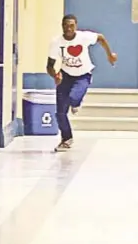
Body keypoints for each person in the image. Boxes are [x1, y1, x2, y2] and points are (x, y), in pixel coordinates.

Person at [46, 14, 117, 152]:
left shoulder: (83, 37)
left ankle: (75, 104)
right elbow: (49, 65)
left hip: (83, 75)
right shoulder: (56, 42)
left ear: (76, 26)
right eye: (66, 25)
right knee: (60, 113)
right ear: (62, 26)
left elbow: (100, 38)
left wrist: (109, 54)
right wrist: (55, 75)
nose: (69, 28)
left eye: (71, 25)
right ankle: (66, 139)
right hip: (65, 75)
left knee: (74, 98)